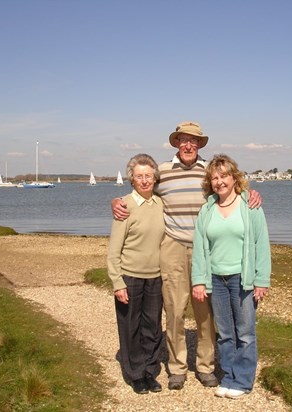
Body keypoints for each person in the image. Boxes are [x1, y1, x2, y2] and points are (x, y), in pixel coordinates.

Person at [112, 121, 262, 390]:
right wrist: (115, 202)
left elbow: (232, 188)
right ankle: (177, 367)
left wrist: (253, 194)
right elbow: (140, 192)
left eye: (193, 140)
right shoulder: (163, 172)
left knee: (205, 313)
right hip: (172, 247)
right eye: (183, 140)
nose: (188, 145)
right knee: (174, 311)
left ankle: (205, 366)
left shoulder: (209, 171)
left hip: (206, 249)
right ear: (176, 143)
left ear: (200, 144)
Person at [191, 154, 271, 399]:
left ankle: (244, 381)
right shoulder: (207, 209)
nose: (219, 181)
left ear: (234, 178)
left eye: (224, 176)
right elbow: (199, 247)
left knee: (245, 333)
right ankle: (229, 376)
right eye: (214, 178)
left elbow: (262, 244)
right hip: (216, 279)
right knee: (225, 333)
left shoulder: (251, 206)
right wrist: (199, 280)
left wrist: (261, 280)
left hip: (242, 278)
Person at [107, 153, 165, 395]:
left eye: (148, 176)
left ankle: (150, 371)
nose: (144, 180)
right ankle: (135, 374)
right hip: (130, 276)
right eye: (139, 176)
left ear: (155, 178)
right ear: (131, 179)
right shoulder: (124, 206)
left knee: (152, 327)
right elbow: (114, 250)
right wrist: (117, 282)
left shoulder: (161, 204)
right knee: (130, 327)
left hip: (156, 277)